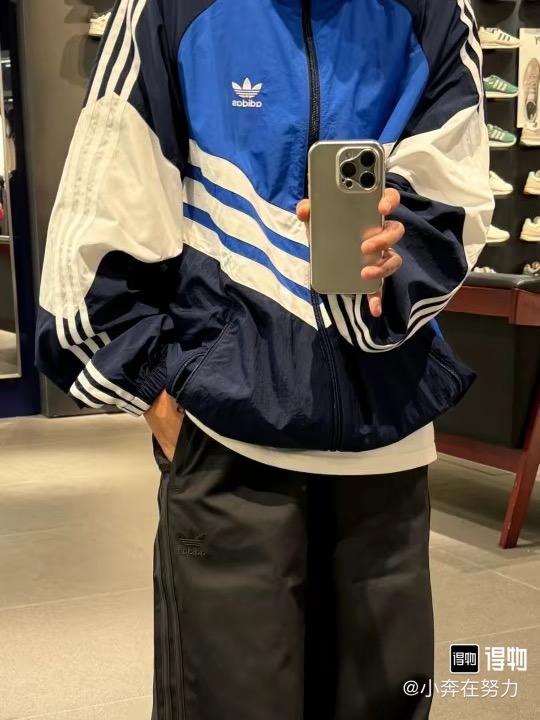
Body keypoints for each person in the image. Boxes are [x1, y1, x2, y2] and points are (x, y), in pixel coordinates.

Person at [36, 0, 493, 718]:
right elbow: (103, 211)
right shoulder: (170, 8)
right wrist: (158, 395)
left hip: (388, 452)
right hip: (229, 448)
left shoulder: (433, 8)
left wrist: (388, 271)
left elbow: (456, 194)